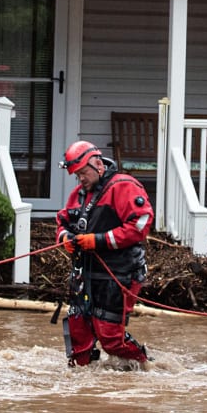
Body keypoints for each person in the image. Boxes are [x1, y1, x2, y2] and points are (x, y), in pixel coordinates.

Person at [55, 139, 153, 370]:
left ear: (97, 164)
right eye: (76, 175)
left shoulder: (124, 186)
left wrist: (97, 241)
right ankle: (83, 382)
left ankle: (145, 366)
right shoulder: (79, 194)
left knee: (110, 337)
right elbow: (62, 221)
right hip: (85, 274)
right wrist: (65, 238)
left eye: (82, 173)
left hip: (119, 274)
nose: (80, 179)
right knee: (78, 333)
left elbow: (141, 223)